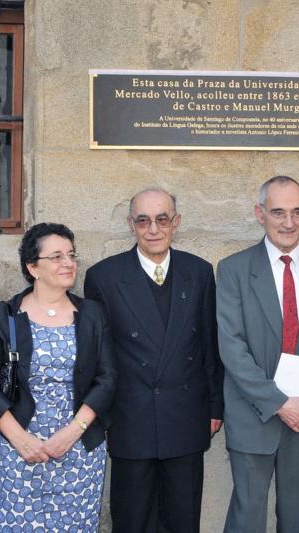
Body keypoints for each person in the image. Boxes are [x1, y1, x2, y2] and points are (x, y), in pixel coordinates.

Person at [84, 188, 223, 533]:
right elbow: (98, 358)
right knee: (132, 520)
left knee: (182, 518)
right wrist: (104, 414)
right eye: (143, 220)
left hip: (186, 415)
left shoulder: (200, 272)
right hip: (131, 419)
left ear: (176, 223)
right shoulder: (104, 277)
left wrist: (214, 408)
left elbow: (209, 344)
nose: (153, 229)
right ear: (131, 224)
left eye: (162, 219)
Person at [0, 222, 116, 532]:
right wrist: (21, 440)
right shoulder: (3, 315)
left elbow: (107, 378)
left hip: (76, 451)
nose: (68, 263)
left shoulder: (92, 314)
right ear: (33, 267)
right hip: (14, 452)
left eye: (72, 255)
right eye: (57, 256)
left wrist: (72, 432)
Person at [216, 175, 299, 533]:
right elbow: (231, 345)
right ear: (260, 213)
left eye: (297, 212)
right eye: (278, 212)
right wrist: (279, 402)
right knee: (247, 518)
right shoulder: (234, 269)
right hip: (255, 415)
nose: (289, 223)